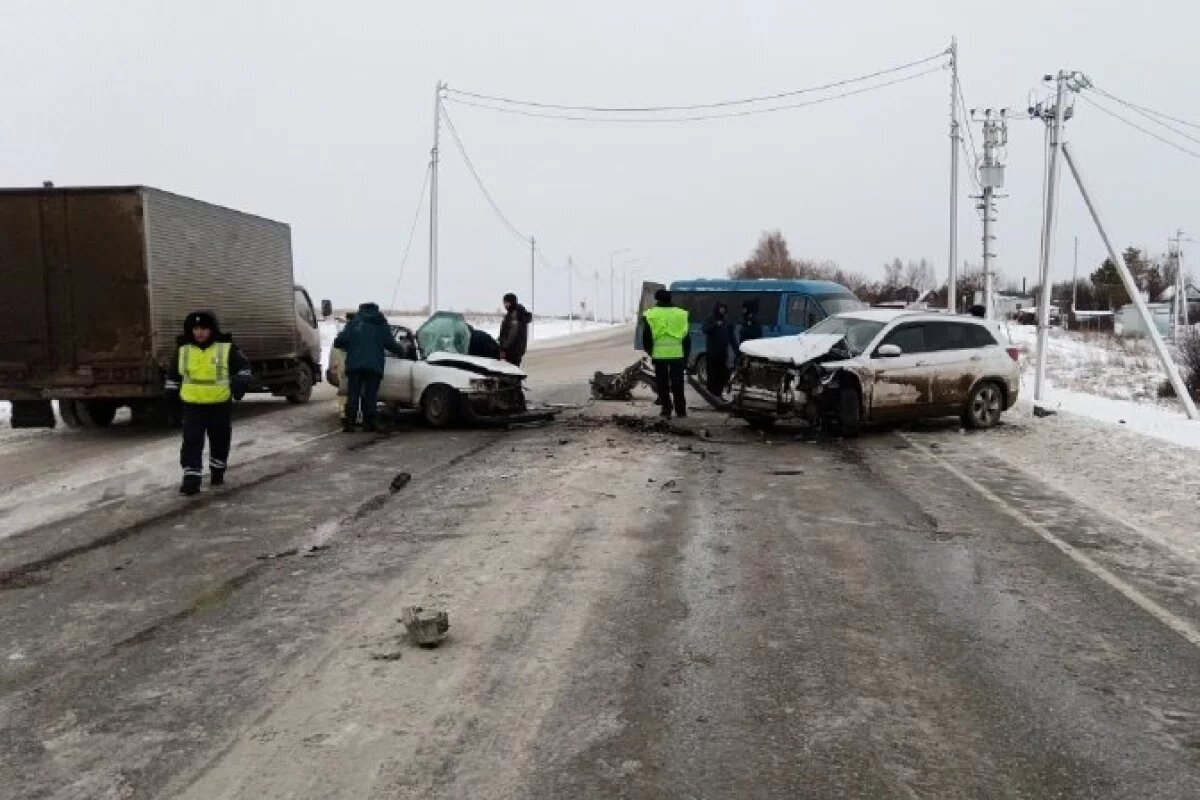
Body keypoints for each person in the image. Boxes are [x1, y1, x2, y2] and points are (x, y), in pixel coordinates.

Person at [164, 311, 252, 496]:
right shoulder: (183, 349)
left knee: (220, 440)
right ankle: (191, 478)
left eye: (204, 328)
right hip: (192, 406)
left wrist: (240, 384)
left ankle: (217, 471)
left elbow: (244, 369)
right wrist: (170, 397)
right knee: (191, 441)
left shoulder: (226, 348)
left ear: (212, 329)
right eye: (196, 328)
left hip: (219, 405)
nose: (200, 333)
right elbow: (173, 375)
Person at [333, 302, 403, 433]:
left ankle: (350, 424)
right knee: (370, 396)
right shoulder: (380, 323)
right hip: (373, 366)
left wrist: (349, 346)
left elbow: (339, 342)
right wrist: (402, 351)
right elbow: (390, 343)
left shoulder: (354, 323)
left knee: (353, 395)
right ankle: (368, 424)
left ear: (361, 309)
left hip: (354, 365)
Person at [641, 289, 691, 418]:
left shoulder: (651, 314)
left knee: (662, 384)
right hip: (677, 355)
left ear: (657, 299)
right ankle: (681, 410)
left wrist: (651, 352)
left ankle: (666, 408)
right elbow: (686, 338)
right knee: (678, 383)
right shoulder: (681, 314)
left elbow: (646, 338)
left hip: (659, 355)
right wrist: (685, 356)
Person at [701, 301, 736, 396]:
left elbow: (731, 337)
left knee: (722, 372)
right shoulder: (710, 319)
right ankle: (711, 391)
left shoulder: (726, 320)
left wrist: (736, 349)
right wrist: (716, 325)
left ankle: (719, 391)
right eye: (721, 308)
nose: (722, 310)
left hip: (723, 351)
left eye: (724, 308)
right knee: (712, 371)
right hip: (712, 351)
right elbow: (705, 329)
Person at [498, 293, 532, 366]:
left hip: (512, 350)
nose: (504, 305)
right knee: (513, 370)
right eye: (504, 302)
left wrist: (503, 348)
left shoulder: (515, 314)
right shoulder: (516, 313)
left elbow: (512, 333)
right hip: (516, 349)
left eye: (506, 302)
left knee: (509, 370)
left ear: (511, 302)